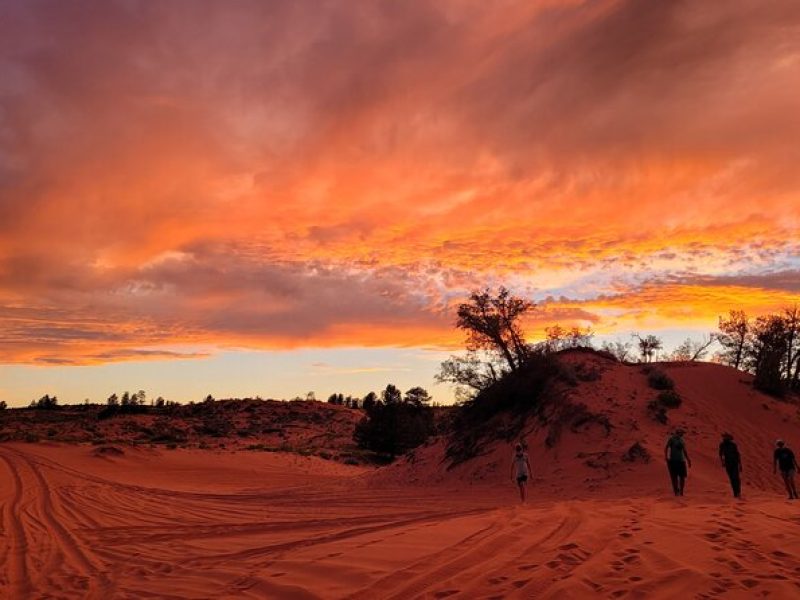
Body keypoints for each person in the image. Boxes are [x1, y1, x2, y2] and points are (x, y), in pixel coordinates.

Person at [664, 428, 691, 496]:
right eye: (681, 433)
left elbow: (684, 450)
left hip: (681, 461)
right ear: (678, 433)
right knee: (674, 477)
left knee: (682, 477)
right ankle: (676, 491)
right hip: (674, 461)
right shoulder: (672, 439)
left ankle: (681, 491)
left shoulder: (682, 440)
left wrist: (688, 459)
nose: (682, 435)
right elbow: (666, 447)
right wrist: (666, 456)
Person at [718, 433, 742, 498]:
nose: (724, 438)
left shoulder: (733, 445)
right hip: (728, 463)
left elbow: (737, 454)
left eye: (726, 437)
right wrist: (722, 462)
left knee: (736, 478)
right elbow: (721, 454)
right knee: (732, 478)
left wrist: (740, 464)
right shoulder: (722, 445)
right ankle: (735, 493)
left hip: (734, 463)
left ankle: (738, 492)